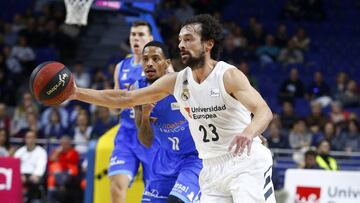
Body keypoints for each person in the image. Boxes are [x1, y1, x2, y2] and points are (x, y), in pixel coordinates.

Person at [70, 14, 275, 203]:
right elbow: (125, 97)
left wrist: (249, 132)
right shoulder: (176, 81)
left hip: (244, 164)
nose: (181, 45)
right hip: (211, 169)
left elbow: (263, 111)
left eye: (188, 39)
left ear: (208, 44)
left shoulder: (228, 75)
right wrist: (77, 93)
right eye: (179, 40)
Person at [134, 41, 201, 202]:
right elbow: (146, 141)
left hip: (194, 158)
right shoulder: (138, 90)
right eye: (145, 59)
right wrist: (145, 115)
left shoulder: (185, 85)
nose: (149, 63)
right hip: (165, 159)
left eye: (156, 58)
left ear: (167, 63)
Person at [108, 20, 155, 203]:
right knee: (116, 186)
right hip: (126, 135)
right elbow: (114, 109)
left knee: (154, 194)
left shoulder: (160, 66)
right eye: (133, 34)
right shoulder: (121, 67)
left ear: (150, 38)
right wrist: (117, 101)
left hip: (152, 137)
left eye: (141, 34)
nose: (136, 38)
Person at [14, 130, 47, 203]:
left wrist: (36, 175)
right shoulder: (20, 151)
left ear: (35, 139)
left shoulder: (41, 151)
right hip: (21, 175)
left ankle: (29, 201)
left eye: (32, 137)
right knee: (14, 181)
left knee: (34, 182)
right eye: (28, 137)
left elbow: (41, 165)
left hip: (35, 175)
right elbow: (15, 165)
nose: (30, 140)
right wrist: (20, 175)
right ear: (25, 139)